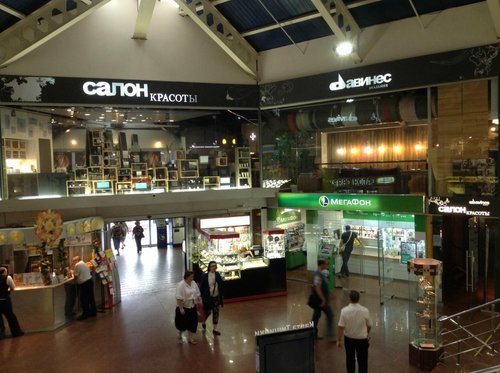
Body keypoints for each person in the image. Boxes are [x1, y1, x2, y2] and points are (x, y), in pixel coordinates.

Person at [337, 290, 373, 373]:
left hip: (349, 340)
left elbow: (340, 326)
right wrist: (366, 333)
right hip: (362, 340)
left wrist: (338, 340)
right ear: (358, 299)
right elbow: (369, 325)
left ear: (349, 298)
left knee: (350, 360)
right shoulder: (365, 310)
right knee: (363, 362)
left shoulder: (344, 311)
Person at [175, 271, 201, 344]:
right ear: (186, 277)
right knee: (182, 323)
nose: (192, 278)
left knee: (193, 322)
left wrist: (198, 298)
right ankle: (180, 332)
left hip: (192, 306)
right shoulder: (181, 285)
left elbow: (197, 292)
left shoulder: (193, 283)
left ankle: (190, 338)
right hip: (184, 307)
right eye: (191, 277)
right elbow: (178, 298)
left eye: (193, 277)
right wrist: (181, 308)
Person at [311, 258, 334, 341]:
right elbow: (317, 287)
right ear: (322, 265)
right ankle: (329, 334)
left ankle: (313, 333)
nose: (327, 265)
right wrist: (323, 299)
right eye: (326, 264)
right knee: (328, 315)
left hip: (320, 300)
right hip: (320, 301)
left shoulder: (320, 274)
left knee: (316, 316)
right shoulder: (318, 275)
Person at [200, 261, 224, 336]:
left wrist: (221, 295)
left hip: (216, 297)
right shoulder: (205, 276)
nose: (214, 267)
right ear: (209, 267)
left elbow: (221, 285)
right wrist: (202, 296)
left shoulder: (217, 275)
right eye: (212, 266)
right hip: (208, 297)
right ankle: (203, 321)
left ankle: (215, 329)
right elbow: (202, 287)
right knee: (207, 312)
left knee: (216, 312)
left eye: (215, 266)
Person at [0, 267, 24, 337]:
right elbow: (13, 287)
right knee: (11, 317)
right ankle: (16, 332)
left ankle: (1, 333)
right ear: (5, 272)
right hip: (5, 301)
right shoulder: (8, 278)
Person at [71, 256, 97, 320]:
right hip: (90, 281)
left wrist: (72, 274)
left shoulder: (77, 265)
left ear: (76, 260)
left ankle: (85, 314)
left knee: (84, 299)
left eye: (73, 261)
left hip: (85, 283)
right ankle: (93, 312)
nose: (73, 262)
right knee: (91, 297)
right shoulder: (83, 263)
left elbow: (75, 276)